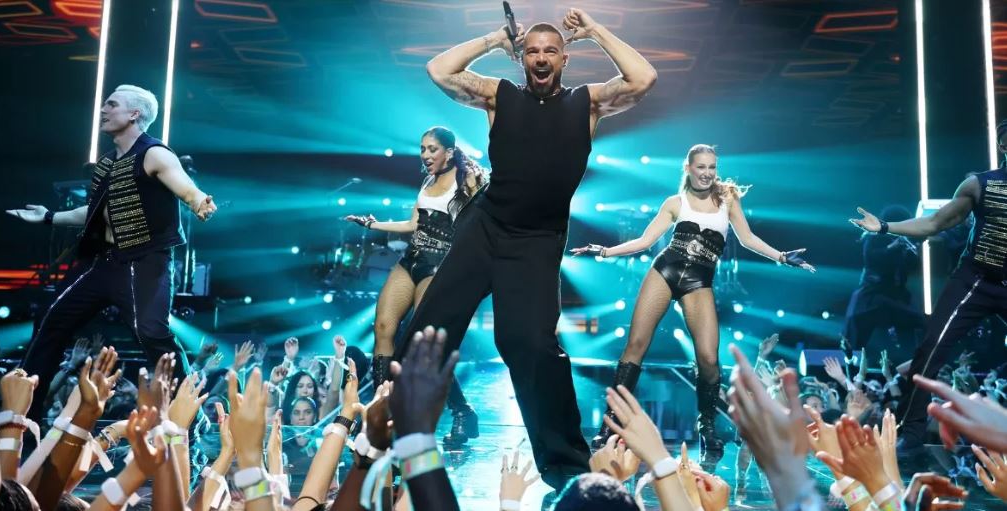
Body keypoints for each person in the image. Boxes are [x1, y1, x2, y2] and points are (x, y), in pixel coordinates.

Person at [397, 8, 658, 490]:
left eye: (550, 51)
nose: (541, 58)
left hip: (537, 242)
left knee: (530, 345)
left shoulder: (587, 103)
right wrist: (496, 38)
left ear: (564, 59)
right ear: (523, 59)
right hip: (486, 227)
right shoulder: (500, 96)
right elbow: (439, 70)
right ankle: (392, 430)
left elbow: (643, 79)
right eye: (532, 51)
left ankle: (567, 466)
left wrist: (595, 32)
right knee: (430, 327)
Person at [574, 144, 814, 462]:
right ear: (688, 168)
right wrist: (604, 251)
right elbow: (645, 241)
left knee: (709, 358)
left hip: (699, 282)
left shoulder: (727, 200)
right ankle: (611, 424)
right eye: (701, 167)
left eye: (712, 167)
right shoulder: (675, 203)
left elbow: (748, 239)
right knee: (636, 345)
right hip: (665, 271)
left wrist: (782, 257)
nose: (707, 173)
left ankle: (707, 426)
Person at [6, 84, 216, 421]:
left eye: (111, 104)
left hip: (144, 262)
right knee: (51, 321)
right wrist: (48, 216)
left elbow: (185, 187)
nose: (103, 110)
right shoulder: (106, 164)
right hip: (104, 263)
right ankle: (21, 415)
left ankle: (191, 417)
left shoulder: (154, 154)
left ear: (134, 114)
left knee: (151, 332)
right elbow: (94, 213)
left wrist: (198, 201)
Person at [850, 119, 1007, 455]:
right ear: (1004, 146)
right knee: (931, 349)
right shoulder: (979, 185)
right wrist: (885, 227)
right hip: (976, 280)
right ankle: (911, 433)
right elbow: (935, 222)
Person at [344, 126, 486, 448]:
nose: (425, 155)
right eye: (422, 149)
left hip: (441, 264)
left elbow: (486, 215)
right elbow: (413, 224)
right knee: (383, 327)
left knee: (423, 346)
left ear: (449, 152)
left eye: (432, 149)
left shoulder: (468, 180)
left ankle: (462, 410)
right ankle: (379, 410)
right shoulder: (427, 182)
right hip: (412, 258)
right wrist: (372, 224)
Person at [842, 205, 926, 357]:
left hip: (896, 295)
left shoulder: (904, 241)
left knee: (917, 322)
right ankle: (852, 361)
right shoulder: (873, 236)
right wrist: (892, 247)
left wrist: (913, 252)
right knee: (856, 332)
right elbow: (871, 258)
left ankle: (912, 360)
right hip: (873, 293)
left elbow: (912, 267)